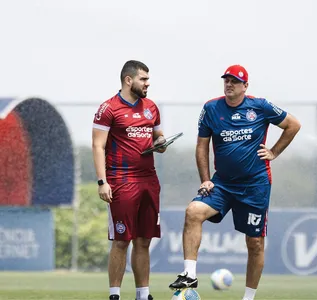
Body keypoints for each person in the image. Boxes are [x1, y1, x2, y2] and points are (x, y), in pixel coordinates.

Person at [168, 65, 301, 300]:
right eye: (226, 80)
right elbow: (202, 145)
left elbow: (293, 125)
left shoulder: (260, 106)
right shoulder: (211, 108)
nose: (229, 84)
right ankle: (189, 274)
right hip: (222, 184)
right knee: (193, 211)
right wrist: (206, 180)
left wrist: (274, 152)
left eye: (235, 81)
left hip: (255, 185)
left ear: (245, 86)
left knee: (255, 243)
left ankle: (248, 298)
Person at [92, 60, 166, 300]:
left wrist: (161, 143)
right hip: (121, 181)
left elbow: (158, 136)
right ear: (128, 80)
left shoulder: (151, 107)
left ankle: (143, 294)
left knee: (143, 240)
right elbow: (98, 145)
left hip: (149, 180)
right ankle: (115, 295)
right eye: (143, 79)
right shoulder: (109, 108)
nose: (147, 83)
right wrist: (102, 182)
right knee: (122, 240)